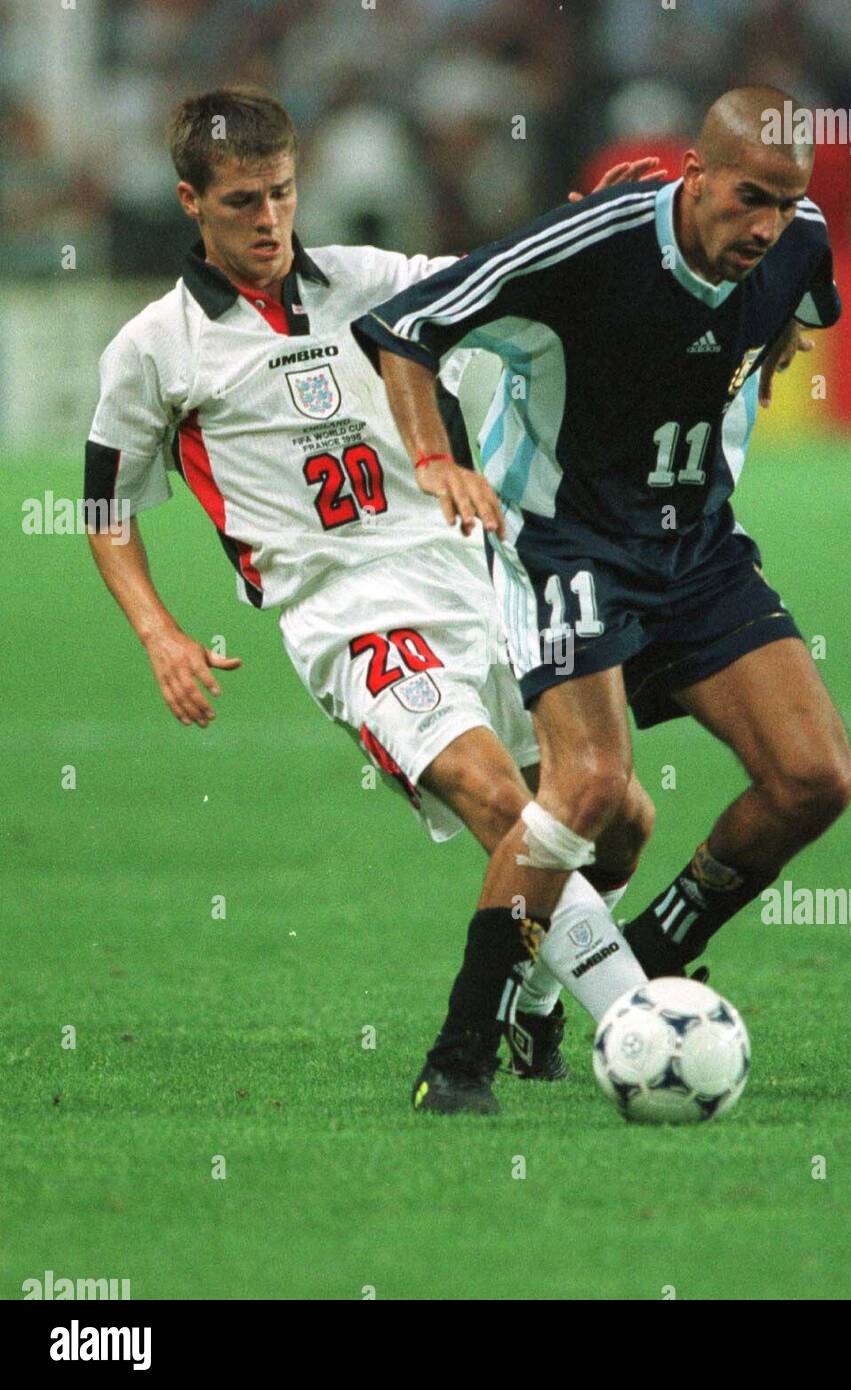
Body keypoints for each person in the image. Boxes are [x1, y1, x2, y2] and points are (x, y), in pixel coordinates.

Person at [83, 85, 661, 1117]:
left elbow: (497, 284)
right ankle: (641, 1021)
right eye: (243, 202)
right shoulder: (153, 347)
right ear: (189, 201)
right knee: (505, 806)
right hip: (351, 618)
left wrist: (584, 225)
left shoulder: (371, 281)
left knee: (614, 815)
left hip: (477, 582)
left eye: (283, 194)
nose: (269, 221)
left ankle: (538, 999)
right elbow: (105, 507)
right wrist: (158, 630)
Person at [353, 84, 851, 1098]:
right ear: (694, 173)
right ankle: (459, 1054)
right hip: (568, 544)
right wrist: (433, 456)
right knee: (588, 787)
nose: (764, 224)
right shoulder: (587, 249)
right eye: (745, 198)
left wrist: (764, 346)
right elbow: (404, 328)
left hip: (702, 551)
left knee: (815, 776)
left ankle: (651, 953)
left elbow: (804, 306)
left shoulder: (796, 240)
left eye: (784, 200)